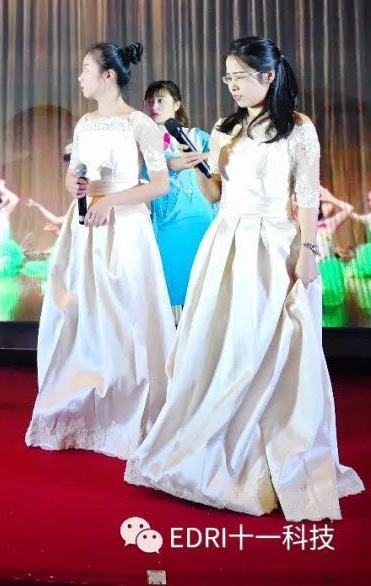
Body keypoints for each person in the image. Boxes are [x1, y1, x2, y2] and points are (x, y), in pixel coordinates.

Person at [126, 36, 364, 520]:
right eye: (228, 78)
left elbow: (306, 196)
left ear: (268, 76)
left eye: (240, 77)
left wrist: (308, 250)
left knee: (271, 348)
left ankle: (268, 456)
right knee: (221, 346)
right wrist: (198, 164)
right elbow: (215, 193)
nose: (232, 86)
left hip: (273, 246)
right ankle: (211, 449)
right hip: (225, 244)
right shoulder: (224, 128)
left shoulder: (297, 127)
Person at [25, 42, 174, 458]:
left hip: (124, 229)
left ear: (108, 75)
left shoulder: (140, 124)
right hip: (84, 228)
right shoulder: (85, 123)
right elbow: (73, 174)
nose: (80, 77)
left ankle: (128, 414)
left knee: (125, 320)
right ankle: (81, 407)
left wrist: (111, 201)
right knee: (80, 317)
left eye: (86, 70)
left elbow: (159, 185)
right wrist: (73, 184)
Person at [141, 80, 217, 315]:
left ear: (176, 105)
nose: (154, 106)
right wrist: (169, 163)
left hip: (201, 219)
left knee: (203, 282)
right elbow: (145, 176)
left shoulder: (196, 136)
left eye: (160, 100)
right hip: (167, 223)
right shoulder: (146, 143)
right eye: (149, 101)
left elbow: (220, 161)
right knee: (171, 284)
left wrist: (202, 156)